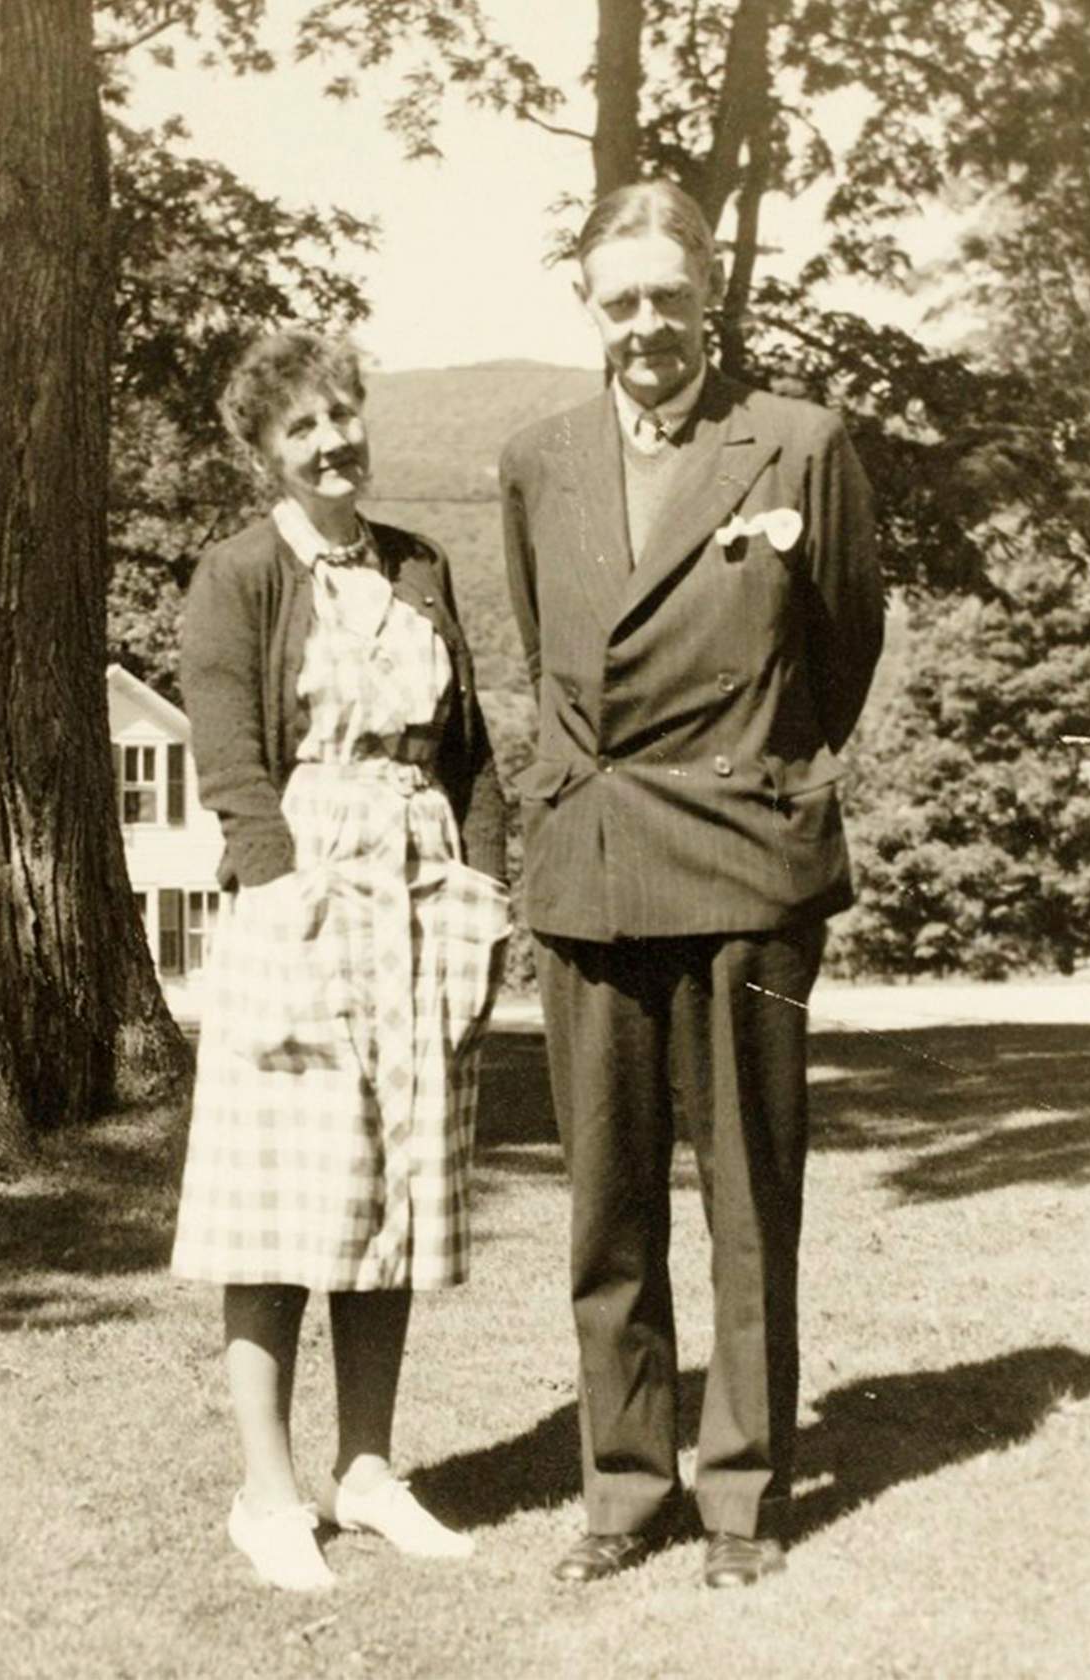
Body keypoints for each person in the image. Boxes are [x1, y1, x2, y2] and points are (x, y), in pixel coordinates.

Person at [499, 181, 883, 1589]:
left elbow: (844, 648)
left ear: (710, 290)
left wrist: (765, 772)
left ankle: (741, 1497)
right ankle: (624, 1486)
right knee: (607, 1204)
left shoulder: (797, 443)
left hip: (743, 860)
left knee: (745, 1198)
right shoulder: (538, 456)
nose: (648, 325)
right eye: (622, 299)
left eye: (671, 294)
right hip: (593, 866)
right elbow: (551, 646)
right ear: (587, 306)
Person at [172, 328, 508, 1592]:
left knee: (393, 1195)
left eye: (344, 416)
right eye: (302, 428)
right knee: (281, 1208)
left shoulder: (420, 566)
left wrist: (483, 884)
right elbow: (231, 765)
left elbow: (465, 746)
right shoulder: (240, 573)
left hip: (420, 894)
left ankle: (367, 1472)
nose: (333, 444)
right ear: (264, 450)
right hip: (302, 893)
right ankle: (268, 1497)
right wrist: (283, 898)